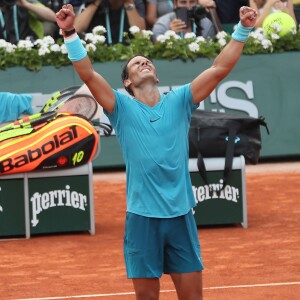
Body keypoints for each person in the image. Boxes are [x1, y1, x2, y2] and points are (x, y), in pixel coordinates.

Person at [55, 4, 257, 299]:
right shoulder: (120, 107)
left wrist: (243, 29)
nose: (144, 63)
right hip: (142, 219)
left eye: (147, 61)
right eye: (137, 64)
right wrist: (70, 32)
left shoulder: (180, 100)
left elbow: (218, 70)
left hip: (180, 217)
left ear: (157, 76)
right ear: (127, 82)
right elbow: (87, 74)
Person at [74, 0, 146, 44]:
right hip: (99, 55)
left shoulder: (135, 3)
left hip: (129, 54)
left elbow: (141, 34)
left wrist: (128, 2)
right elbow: (77, 29)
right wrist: (96, 2)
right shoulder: (91, 3)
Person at [151, 0, 217, 42]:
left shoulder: (206, 24)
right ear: (175, 4)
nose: (188, 6)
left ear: (197, 3)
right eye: (183, 2)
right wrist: (169, 35)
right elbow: (157, 53)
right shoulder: (162, 23)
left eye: (192, 2)